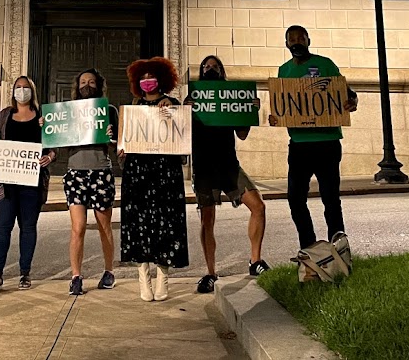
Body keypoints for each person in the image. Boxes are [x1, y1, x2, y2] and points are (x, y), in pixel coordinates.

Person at [269, 25, 358, 253]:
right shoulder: (283, 71)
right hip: (299, 146)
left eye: (301, 38)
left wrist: (352, 101)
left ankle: (339, 248)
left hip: (327, 143)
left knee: (331, 199)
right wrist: (277, 115)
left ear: (308, 40)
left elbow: (346, 93)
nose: (297, 42)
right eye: (292, 39)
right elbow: (283, 104)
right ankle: (310, 248)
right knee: (295, 199)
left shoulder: (325, 64)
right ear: (286, 44)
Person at [186, 55, 269, 294]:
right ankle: (210, 272)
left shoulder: (231, 97)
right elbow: (180, 131)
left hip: (230, 166)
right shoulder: (192, 98)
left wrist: (250, 112)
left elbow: (241, 134)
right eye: (206, 67)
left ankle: (255, 261)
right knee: (207, 220)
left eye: (215, 67)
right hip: (204, 168)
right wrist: (185, 111)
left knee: (258, 206)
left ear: (222, 72)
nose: (210, 69)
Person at [120, 57, 189, 301]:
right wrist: (122, 147)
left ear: (162, 79)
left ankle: (163, 274)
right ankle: (143, 275)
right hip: (137, 171)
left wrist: (171, 113)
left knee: (166, 221)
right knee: (139, 222)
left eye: (152, 77)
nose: (147, 81)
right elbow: (125, 138)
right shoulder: (133, 107)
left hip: (165, 172)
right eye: (143, 78)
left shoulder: (173, 104)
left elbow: (181, 137)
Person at [0, 76, 56, 292]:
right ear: (13, 91)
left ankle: (25, 273)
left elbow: (55, 145)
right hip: (5, 184)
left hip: (32, 183)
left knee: (28, 228)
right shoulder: (5, 115)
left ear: (32, 91)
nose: (22, 91)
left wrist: (50, 156)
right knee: (1, 230)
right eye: (18, 87)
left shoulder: (43, 116)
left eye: (26, 88)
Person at [61, 68, 119, 296]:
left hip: (100, 172)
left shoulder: (109, 110)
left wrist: (111, 135)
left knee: (104, 226)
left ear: (99, 85)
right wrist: (46, 127)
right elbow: (57, 137)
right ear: (77, 86)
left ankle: (109, 271)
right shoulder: (67, 111)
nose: (87, 85)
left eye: (91, 82)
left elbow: (117, 145)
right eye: (83, 81)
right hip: (75, 173)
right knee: (78, 228)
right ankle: (76, 276)